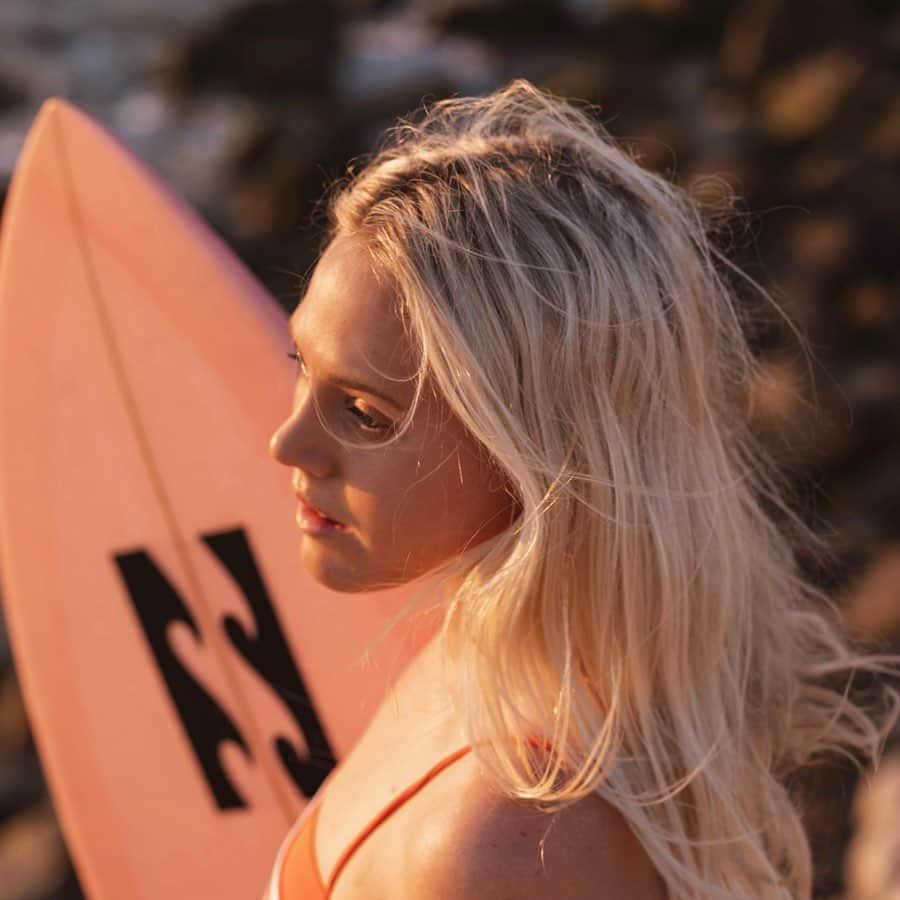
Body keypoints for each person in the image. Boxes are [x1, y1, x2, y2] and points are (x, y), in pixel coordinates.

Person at [265, 79, 896, 899]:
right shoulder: (502, 642)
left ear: (530, 450)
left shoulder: (505, 849)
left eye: (363, 413)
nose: (288, 442)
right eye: (300, 367)